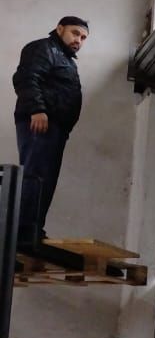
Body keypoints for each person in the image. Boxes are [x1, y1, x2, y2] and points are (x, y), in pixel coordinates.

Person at [12, 16, 89, 250]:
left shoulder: (65, 59)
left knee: (46, 179)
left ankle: (33, 229)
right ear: (60, 29)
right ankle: (24, 232)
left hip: (55, 127)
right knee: (35, 176)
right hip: (40, 122)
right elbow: (26, 78)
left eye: (83, 37)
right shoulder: (44, 48)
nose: (79, 40)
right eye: (75, 33)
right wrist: (37, 109)